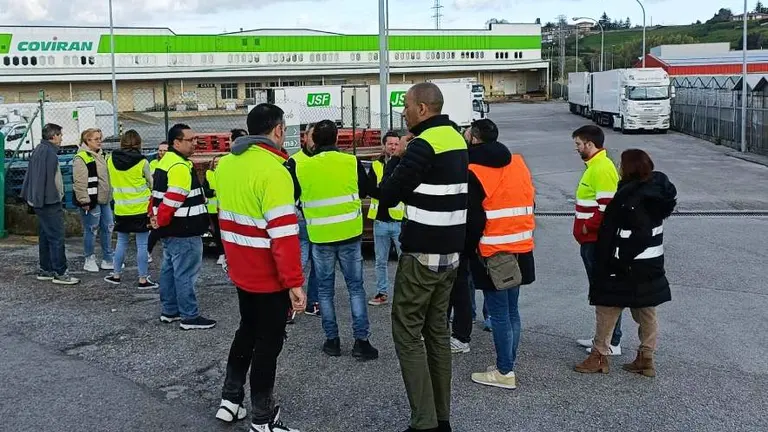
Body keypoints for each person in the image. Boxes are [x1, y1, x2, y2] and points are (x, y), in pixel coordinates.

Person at [377, 83, 468, 432]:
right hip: (450, 252)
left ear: (423, 109)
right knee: (437, 333)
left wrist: (396, 159)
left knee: (407, 333)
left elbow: (388, 194)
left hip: (421, 255)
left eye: (406, 106)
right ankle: (441, 418)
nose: (403, 112)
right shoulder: (456, 139)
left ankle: (424, 423)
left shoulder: (423, 145)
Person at [215, 103, 306, 432]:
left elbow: (223, 217)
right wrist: (295, 284)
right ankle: (263, 420)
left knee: (246, 331)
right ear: (278, 130)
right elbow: (283, 235)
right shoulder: (274, 171)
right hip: (269, 276)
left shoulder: (225, 165)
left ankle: (230, 400)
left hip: (241, 270)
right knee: (268, 344)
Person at [575, 149, 677, 376]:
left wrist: (619, 258)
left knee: (607, 308)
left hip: (627, 266)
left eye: (622, 164)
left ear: (628, 169)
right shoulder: (657, 194)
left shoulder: (631, 199)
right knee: (646, 310)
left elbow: (635, 234)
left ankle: (599, 355)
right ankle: (646, 357)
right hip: (651, 265)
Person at [289, 119, 378, 360]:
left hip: (320, 236)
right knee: (356, 289)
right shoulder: (351, 161)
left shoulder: (300, 166)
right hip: (350, 234)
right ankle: (361, 342)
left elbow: (293, 197)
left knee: (325, 292)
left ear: (313, 140)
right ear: (337, 139)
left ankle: (332, 341)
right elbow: (365, 189)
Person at [461, 119, 536, 390]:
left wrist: (468, 250)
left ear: (475, 139)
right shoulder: (517, 162)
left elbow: (474, 218)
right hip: (521, 246)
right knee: (512, 311)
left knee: (500, 314)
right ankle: (508, 365)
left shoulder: (473, 169)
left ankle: (505, 371)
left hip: (491, 252)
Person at [150, 124, 216, 330]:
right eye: (190, 140)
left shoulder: (166, 162)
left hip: (172, 229)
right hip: (185, 228)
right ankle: (189, 316)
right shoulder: (179, 167)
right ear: (176, 142)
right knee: (185, 272)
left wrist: (156, 220)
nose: (194, 143)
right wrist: (160, 219)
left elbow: (156, 196)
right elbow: (172, 200)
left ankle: (170, 310)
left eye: (195, 139)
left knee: (170, 269)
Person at [571, 125, 623, 356]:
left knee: (605, 291)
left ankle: (611, 341)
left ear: (590, 144)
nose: (577, 149)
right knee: (600, 291)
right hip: (589, 240)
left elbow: (607, 208)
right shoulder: (595, 166)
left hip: (595, 241)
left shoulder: (601, 168)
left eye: (578, 144)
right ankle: (603, 337)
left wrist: (586, 226)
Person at [20, 123, 80, 285]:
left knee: (46, 236)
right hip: (49, 201)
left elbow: (35, 177)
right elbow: (50, 180)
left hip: (40, 201)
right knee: (56, 237)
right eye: (60, 135)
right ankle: (60, 272)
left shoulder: (40, 149)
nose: (62, 138)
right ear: (53, 136)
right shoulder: (50, 153)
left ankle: (46, 269)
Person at [104, 129, 157, 289]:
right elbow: (151, 183)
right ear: (139, 144)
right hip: (140, 209)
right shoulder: (143, 162)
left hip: (121, 208)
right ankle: (142, 279)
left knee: (121, 242)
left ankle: (116, 274)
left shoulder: (110, 160)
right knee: (142, 245)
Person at [284, 123, 320, 317]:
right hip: (301, 220)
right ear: (304, 138)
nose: (315, 141)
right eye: (313, 136)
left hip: (320, 221)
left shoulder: (324, 160)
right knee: (298, 263)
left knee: (318, 264)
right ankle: (289, 304)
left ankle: (312, 302)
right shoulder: (294, 161)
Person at [367, 130, 405, 306]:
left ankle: (405, 294)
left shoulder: (405, 164)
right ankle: (382, 293)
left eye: (396, 144)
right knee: (380, 261)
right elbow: (369, 188)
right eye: (390, 144)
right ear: (384, 145)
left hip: (399, 222)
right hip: (380, 221)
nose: (393, 147)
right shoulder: (376, 166)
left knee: (405, 262)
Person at [73, 128, 115, 273]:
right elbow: (80, 182)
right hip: (91, 201)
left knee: (108, 227)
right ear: (87, 141)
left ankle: (108, 258)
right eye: (96, 139)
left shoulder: (102, 155)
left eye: (100, 138)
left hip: (104, 199)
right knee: (91, 229)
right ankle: (89, 259)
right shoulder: (81, 158)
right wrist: (84, 201)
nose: (100, 141)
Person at [203, 155, 225, 266]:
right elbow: (205, 190)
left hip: (225, 208)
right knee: (217, 233)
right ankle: (221, 254)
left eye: (219, 162)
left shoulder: (228, 174)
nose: (217, 164)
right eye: (215, 162)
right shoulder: (208, 174)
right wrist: (214, 193)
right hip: (213, 209)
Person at [147, 141, 168, 259]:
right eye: (160, 150)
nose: (162, 152)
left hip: (168, 198)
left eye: (165, 150)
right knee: (156, 226)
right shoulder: (154, 163)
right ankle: (148, 251)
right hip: (157, 197)